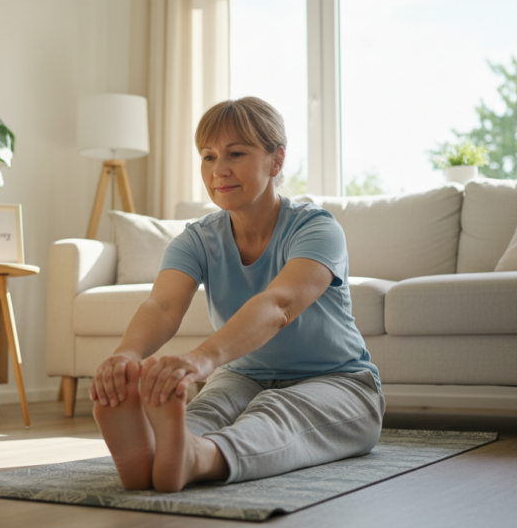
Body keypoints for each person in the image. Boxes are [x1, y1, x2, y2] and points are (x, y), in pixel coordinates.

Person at [90, 97, 385, 493]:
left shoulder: (317, 229)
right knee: (209, 408)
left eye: (236, 153)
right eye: (208, 157)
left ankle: (198, 457)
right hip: (243, 375)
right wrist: (126, 354)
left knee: (275, 413)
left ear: (275, 161)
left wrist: (200, 359)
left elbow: (279, 305)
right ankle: (159, 452)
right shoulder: (196, 239)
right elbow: (161, 305)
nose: (219, 170)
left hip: (340, 382)